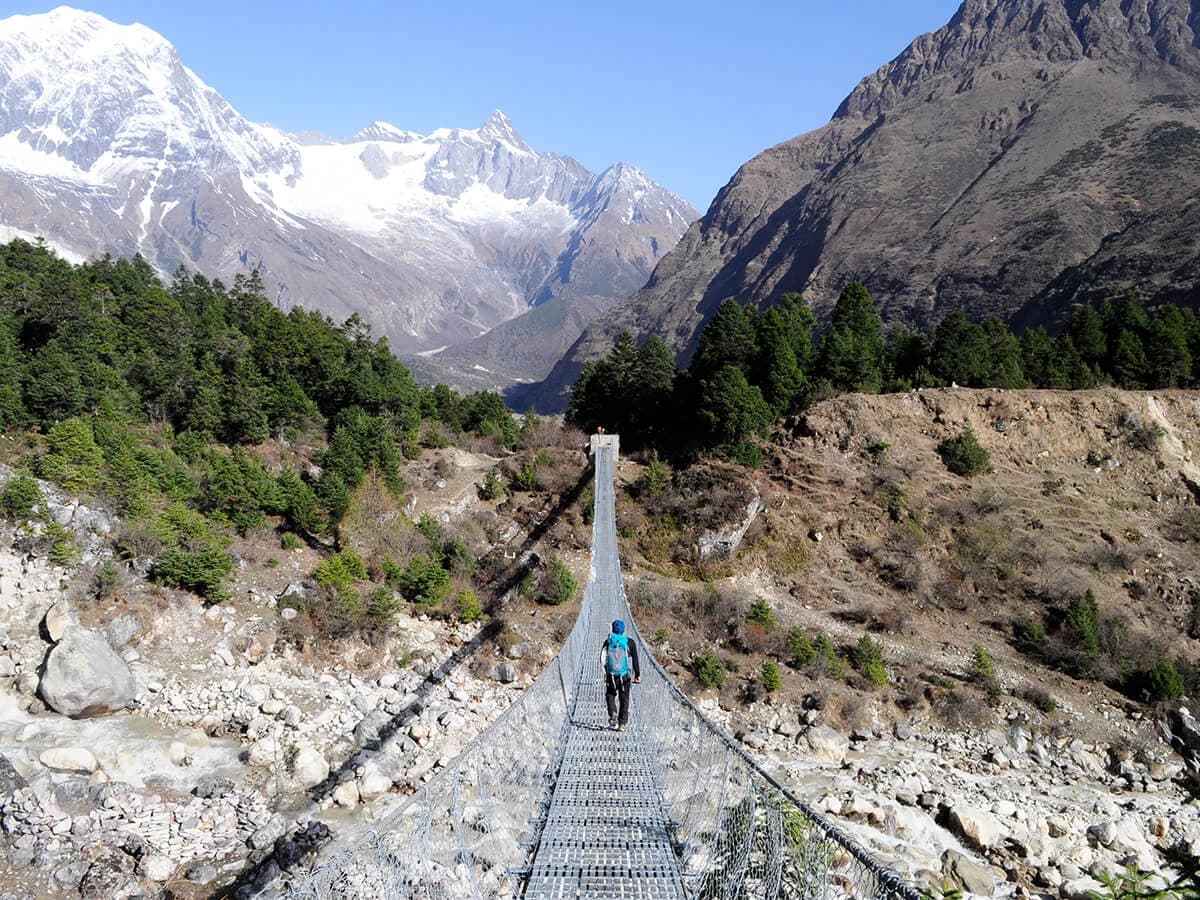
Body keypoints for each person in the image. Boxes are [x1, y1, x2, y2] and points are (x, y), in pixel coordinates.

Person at [601, 619, 640, 731]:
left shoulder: (608, 641)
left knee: (610, 693)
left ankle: (613, 712)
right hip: (624, 676)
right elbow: (635, 660)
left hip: (611, 675)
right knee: (624, 699)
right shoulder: (629, 642)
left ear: (612, 629)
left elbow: (602, 659)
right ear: (624, 630)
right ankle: (622, 724)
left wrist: (606, 672)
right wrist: (637, 674)